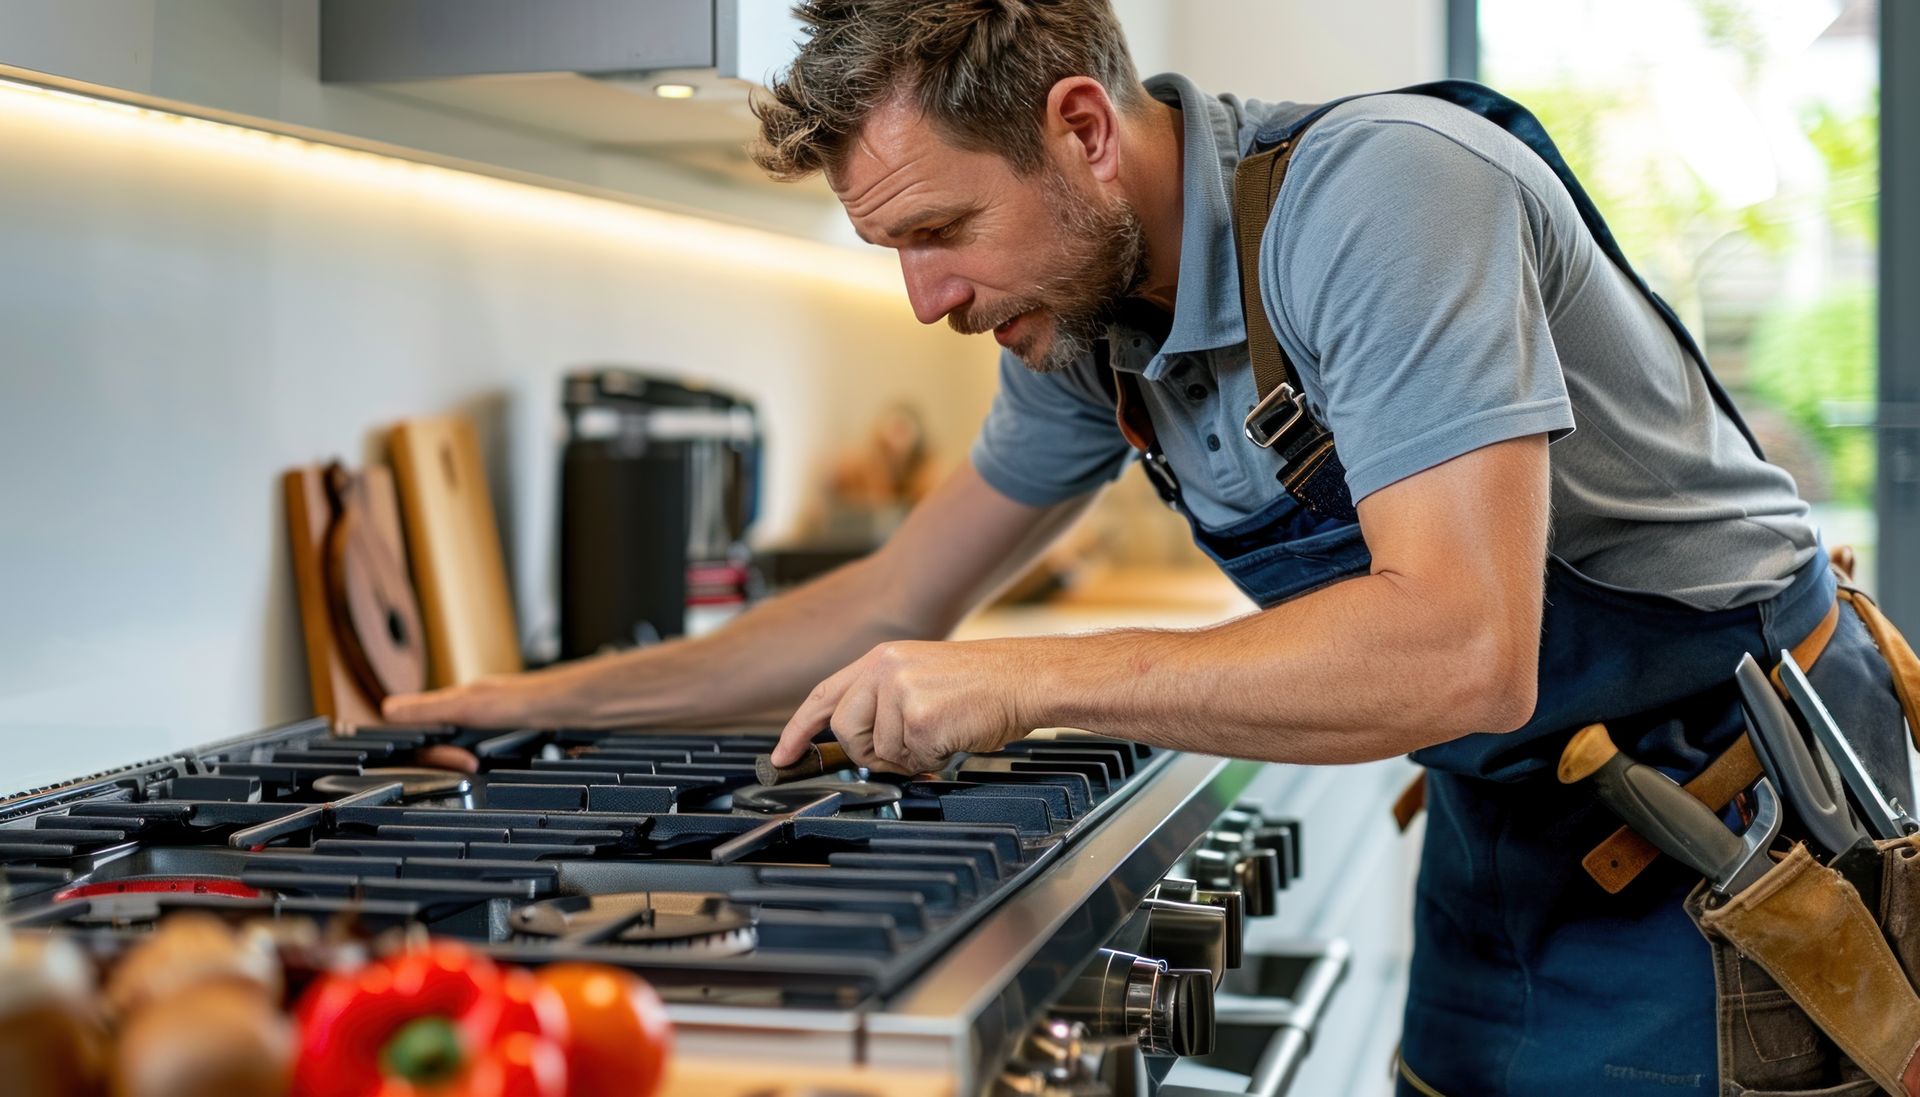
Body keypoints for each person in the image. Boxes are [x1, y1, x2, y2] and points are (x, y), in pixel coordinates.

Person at [385, 2, 1916, 1092]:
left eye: (942, 233)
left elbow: (1461, 641)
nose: (926, 297)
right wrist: (532, 700)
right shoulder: (1087, 333)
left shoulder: (1381, 199)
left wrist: (1026, 679)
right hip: (1513, 815)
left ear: (1082, 127)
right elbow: (892, 596)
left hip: (1740, 823)